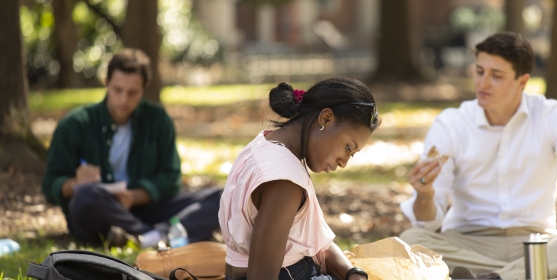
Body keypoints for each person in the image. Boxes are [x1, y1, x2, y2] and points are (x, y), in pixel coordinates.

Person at [398, 32, 557, 279]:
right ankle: (534, 275)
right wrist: (425, 195)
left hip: (539, 243)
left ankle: (495, 278)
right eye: (479, 71)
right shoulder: (450, 124)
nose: (482, 82)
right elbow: (428, 223)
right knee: (411, 241)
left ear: (522, 81)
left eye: (496, 75)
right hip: (469, 244)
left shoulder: (551, 116)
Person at [41, 48, 221, 248]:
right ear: (106, 83)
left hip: (147, 208)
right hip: (100, 210)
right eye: (117, 90)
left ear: (144, 90)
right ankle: (159, 235)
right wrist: (75, 182)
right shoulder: (74, 124)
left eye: (132, 93)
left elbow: (171, 179)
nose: (123, 100)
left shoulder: (158, 120)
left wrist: (132, 198)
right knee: (84, 196)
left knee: (221, 197)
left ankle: (147, 236)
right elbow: (50, 186)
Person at [219, 78, 379, 280]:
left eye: (352, 154)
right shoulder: (284, 181)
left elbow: (312, 241)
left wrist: (353, 274)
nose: (344, 162)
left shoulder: (266, 144)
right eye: (348, 147)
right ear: (326, 118)